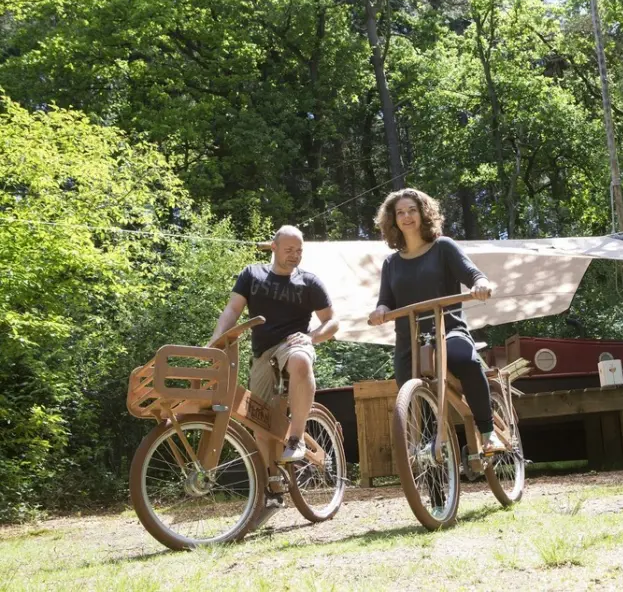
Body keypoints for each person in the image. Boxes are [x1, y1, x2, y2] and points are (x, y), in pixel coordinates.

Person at [367, 188, 505, 454]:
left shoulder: (443, 247)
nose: (407, 217)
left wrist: (481, 283)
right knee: (410, 393)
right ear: (393, 220)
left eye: (412, 211)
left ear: (423, 213)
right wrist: (380, 310)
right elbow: (385, 300)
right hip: (410, 339)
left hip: (449, 329)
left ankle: (487, 433)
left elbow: (473, 274)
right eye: (400, 213)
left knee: (466, 360)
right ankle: (427, 463)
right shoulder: (391, 263)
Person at [209, 225, 339, 462]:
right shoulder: (251, 274)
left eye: (299, 250)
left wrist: (311, 337)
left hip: (293, 343)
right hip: (262, 352)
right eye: (289, 249)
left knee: (300, 360)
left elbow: (332, 322)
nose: (295, 255)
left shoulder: (309, 282)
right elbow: (232, 310)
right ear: (274, 247)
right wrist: (216, 341)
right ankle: (272, 485)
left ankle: (296, 438)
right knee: (259, 423)